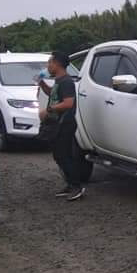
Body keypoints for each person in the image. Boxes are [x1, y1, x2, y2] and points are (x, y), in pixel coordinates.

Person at [38, 51, 85, 201]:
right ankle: (70, 184)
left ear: (57, 64)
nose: (48, 66)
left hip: (65, 123)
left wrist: (48, 110)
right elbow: (54, 94)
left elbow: (68, 103)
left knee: (65, 156)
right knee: (59, 155)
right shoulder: (59, 81)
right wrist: (41, 83)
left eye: (50, 62)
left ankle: (77, 186)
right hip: (57, 123)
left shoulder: (66, 82)